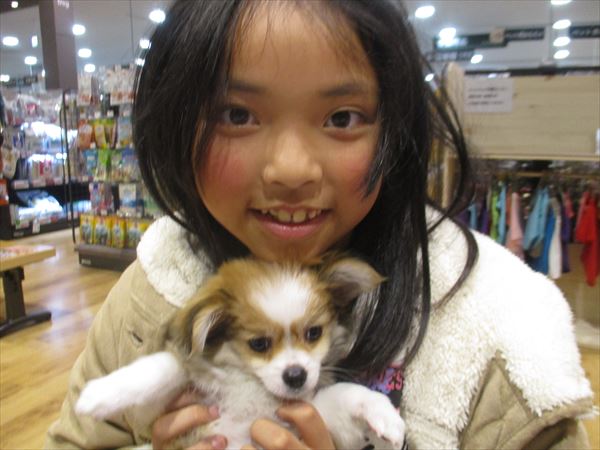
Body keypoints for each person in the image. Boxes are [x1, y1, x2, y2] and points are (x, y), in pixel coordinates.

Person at [46, 1, 594, 449]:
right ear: (176, 126)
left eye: (342, 118)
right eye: (237, 114)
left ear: (395, 131)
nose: (291, 170)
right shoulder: (146, 295)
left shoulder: (501, 332)